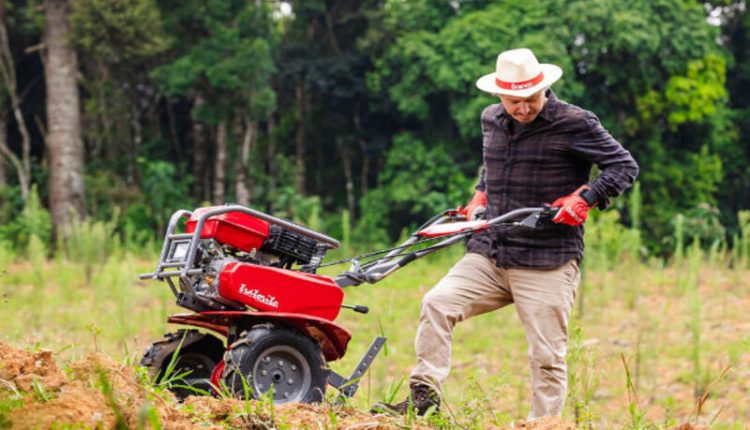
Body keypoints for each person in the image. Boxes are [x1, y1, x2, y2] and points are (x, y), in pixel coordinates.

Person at [372, 48, 639, 419]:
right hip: (491, 251)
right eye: (514, 101)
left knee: (547, 356)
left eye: (530, 100)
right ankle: (424, 398)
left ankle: (542, 425)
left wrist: (587, 197)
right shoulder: (491, 120)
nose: (523, 108)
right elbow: (492, 165)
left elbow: (624, 166)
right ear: (499, 95)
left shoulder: (575, 122)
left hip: (547, 259)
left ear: (543, 89)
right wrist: (481, 192)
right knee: (437, 304)